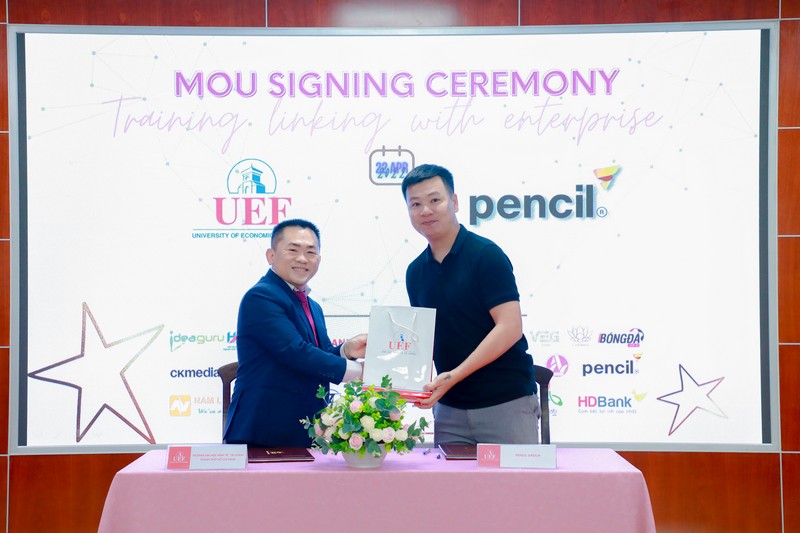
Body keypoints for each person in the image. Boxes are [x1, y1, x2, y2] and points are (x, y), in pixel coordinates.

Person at [401, 164, 540, 445]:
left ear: (454, 202)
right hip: (449, 409)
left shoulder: (486, 256)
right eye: (415, 204)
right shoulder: (415, 272)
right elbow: (423, 340)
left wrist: (453, 376)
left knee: (516, 476)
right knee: (449, 477)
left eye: (435, 200)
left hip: (505, 403)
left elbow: (510, 327)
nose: (425, 210)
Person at [224, 219, 367, 448]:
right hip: (264, 430)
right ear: (271, 255)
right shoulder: (261, 297)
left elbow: (319, 356)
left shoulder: (312, 306)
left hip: (306, 430)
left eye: (311, 252)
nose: (302, 258)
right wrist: (360, 372)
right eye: (293, 250)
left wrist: (346, 350)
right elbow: (296, 352)